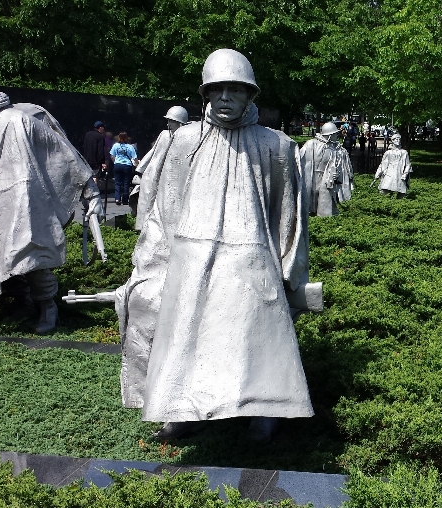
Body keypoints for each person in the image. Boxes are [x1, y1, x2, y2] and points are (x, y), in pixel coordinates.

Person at [114, 48, 313, 440]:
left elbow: (288, 215)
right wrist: (152, 264)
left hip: (251, 256)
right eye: (217, 90)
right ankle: (181, 408)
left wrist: (289, 268)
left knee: (254, 333)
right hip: (192, 256)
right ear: (205, 94)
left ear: (250, 95)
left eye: (235, 90)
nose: (225, 98)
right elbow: (165, 209)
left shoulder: (277, 146)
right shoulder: (185, 141)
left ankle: (264, 406)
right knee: (187, 331)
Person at [0, 66, 102, 333]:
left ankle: (48, 306)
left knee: (29, 255)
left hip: (22, 200)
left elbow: (59, 149)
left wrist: (89, 189)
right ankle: (23, 303)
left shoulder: (16, 120)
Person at [131, 106, 189, 226]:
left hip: (175, 177)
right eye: (168, 120)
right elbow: (153, 152)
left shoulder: (187, 138)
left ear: (181, 123)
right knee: (150, 202)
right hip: (156, 175)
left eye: (172, 121)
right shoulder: (164, 135)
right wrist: (140, 170)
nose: (169, 124)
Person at [300, 121, 342, 216]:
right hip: (312, 174)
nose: (337, 136)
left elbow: (335, 164)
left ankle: (321, 214)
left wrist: (335, 173)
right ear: (329, 135)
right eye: (335, 134)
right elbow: (301, 157)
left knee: (323, 197)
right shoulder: (312, 143)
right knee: (312, 193)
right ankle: (310, 212)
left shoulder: (334, 148)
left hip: (325, 176)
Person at [374, 133, 412, 197]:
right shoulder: (388, 153)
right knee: (384, 190)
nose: (398, 140)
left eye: (399, 139)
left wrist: (405, 174)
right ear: (392, 141)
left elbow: (408, 165)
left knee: (401, 192)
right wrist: (378, 174)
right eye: (396, 139)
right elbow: (383, 164)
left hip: (400, 174)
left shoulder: (404, 152)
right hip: (389, 174)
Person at [109, 132, 138, 205]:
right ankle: (125, 200)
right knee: (126, 183)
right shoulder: (130, 147)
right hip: (127, 166)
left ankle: (117, 198)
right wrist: (137, 164)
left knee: (117, 182)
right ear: (127, 138)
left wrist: (115, 162)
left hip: (117, 165)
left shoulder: (116, 145)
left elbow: (112, 156)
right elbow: (134, 158)